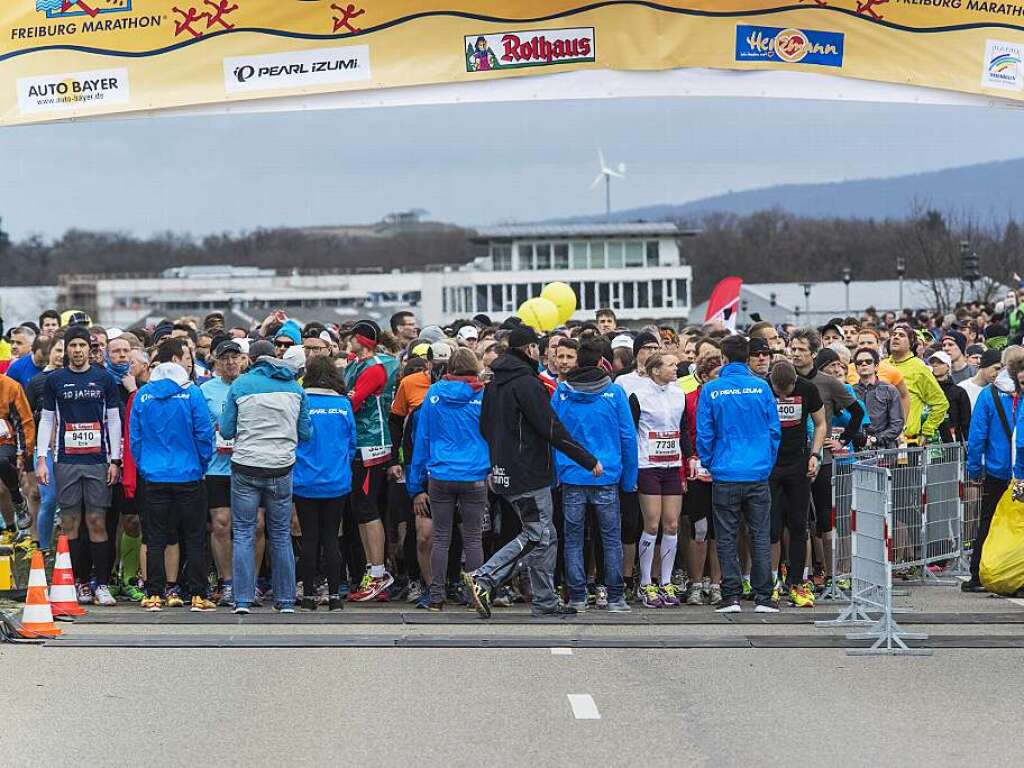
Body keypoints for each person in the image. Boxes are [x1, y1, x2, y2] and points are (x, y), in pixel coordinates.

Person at [463, 326, 601, 619]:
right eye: (539, 348)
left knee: (544, 535)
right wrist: (587, 459)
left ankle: (545, 600)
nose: (543, 352)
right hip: (529, 471)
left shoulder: (495, 382)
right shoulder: (527, 383)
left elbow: (485, 427)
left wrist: (498, 459)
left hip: (504, 469)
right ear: (529, 350)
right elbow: (550, 427)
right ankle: (483, 577)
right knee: (539, 535)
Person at [220, 340, 312, 614]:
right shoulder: (296, 388)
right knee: (281, 535)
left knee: (245, 534)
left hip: (246, 466)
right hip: (281, 467)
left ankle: (243, 600)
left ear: (252, 360)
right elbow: (306, 433)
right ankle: (285, 601)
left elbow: (226, 430)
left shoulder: (240, 385)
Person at [36, 325, 122, 606]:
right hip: (66, 459)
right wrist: (41, 459)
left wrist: (115, 460)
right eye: (72, 346)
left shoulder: (104, 379)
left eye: (82, 346)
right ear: (66, 350)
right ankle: (78, 582)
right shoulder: (55, 380)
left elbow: (114, 420)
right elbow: (47, 419)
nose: (77, 350)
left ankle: (102, 584)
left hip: (98, 460)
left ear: (90, 349)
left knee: (97, 522)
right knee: (70, 522)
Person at [551, 339, 637, 613]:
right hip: (607, 476)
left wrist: (557, 473)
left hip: (573, 476)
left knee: (573, 538)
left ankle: (577, 596)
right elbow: (628, 437)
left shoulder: (562, 392)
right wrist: (629, 478)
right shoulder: (614, 392)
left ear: (577, 361)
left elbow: (554, 436)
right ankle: (614, 597)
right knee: (610, 538)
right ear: (602, 362)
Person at [697, 335, 781, 613]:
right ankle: (763, 597)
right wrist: (766, 463)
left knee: (726, 536)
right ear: (747, 358)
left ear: (723, 358)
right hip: (757, 472)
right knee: (759, 535)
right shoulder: (762, 388)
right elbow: (774, 431)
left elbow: (705, 433)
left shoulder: (711, 390)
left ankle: (731, 596)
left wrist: (710, 462)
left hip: (725, 472)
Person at [407, 349, 490, 611]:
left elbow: (422, 439)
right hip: (475, 472)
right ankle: (477, 593)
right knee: (473, 538)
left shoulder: (434, 394)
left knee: (441, 537)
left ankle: (436, 596)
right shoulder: (483, 394)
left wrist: (415, 482)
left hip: (441, 472)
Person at [130, 360, 216, 612]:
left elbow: (135, 437)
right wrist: (200, 466)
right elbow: (204, 433)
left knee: (155, 537)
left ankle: (154, 593)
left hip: (154, 475)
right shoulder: (192, 393)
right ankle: (198, 594)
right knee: (194, 536)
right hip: (188, 474)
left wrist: (145, 465)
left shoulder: (143, 394)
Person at [789, 329, 864, 590]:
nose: (795, 353)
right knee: (797, 519)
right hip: (792, 460)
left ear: (813, 352)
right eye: (792, 348)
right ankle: (806, 573)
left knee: (824, 518)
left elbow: (857, 413)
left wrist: (842, 441)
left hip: (824, 459)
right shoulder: (784, 380)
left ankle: (831, 573)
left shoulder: (829, 383)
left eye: (800, 349)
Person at [293, 356, 357, 612]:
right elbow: (352, 443)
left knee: (309, 539)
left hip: (305, 480)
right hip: (336, 480)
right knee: (331, 538)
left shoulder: (301, 402)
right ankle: (334, 596)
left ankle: (308, 595)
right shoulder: (343, 404)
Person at [343, 321, 400, 601]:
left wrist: (347, 397)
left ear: (360, 339)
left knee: (367, 508)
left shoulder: (373, 367)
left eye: (351, 337)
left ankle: (379, 573)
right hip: (359, 444)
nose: (347, 342)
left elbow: (351, 403)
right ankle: (372, 569)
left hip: (371, 445)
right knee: (359, 509)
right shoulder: (356, 363)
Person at [629, 352, 687, 608]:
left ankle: (665, 581)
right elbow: (631, 432)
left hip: (673, 465)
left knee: (672, 525)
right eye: (671, 365)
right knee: (652, 525)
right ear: (655, 370)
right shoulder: (638, 395)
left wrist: (688, 462)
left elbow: (683, 430)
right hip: (647, 465)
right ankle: (645, 582)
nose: (676, 368)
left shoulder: (679, 394)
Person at [767, 359, 826, 607]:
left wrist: (815, 455)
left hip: (798, 462)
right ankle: (771, 582)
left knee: (799, 524)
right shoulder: (763, 388)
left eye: (787, 392)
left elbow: (821, 423)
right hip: (770, 463)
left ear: (794, 382)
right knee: (771, 526)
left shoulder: (807, 389)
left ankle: (797, 582)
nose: (783, 396)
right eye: (778, 393)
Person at [200, 339, 249, 607]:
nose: (230, 362)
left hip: (249, 464)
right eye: (224, 358)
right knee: (221, 523)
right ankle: (227, 582)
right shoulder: (205, 390)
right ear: (216, 362)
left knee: (256, 525)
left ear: (243, 360)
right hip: (216, 467)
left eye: (234, 357)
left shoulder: (251, 386)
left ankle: (248, 582)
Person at [964, 354, 1019, 592]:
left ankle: (978, 573)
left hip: (998, 470)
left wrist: (974, 468)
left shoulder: (989, 394)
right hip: (1021, 469)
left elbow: (977, 437)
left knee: (988, 521)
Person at [682, 353, 725, 605]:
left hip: (723, 469)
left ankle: (717, 583)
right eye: (716, 376)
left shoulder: (727, 399)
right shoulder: (689, 399)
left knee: (720, 530)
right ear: (704, 376)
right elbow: (684, 432)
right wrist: (690, 457)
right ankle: (696, 583)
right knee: (699, 529)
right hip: (698, 469)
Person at [886, 324, 948, 445]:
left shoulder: (919, 368)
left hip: (908, 442)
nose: (896, 337)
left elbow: (941, 403)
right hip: (880, 442)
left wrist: (927, 431)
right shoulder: (882, 365)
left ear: (911, 344)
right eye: (894, 335)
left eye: (901, 335)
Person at [0, 363, 35, 540]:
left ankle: (18, 499)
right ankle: (9, 528)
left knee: (2, 462)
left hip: (6, 441)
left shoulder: (10, 386)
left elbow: (24, 422)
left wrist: (23, 453)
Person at [853, 348, 905, 449]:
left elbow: (897, 424)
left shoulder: (889, 390)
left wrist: (875, 439)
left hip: (883, 449)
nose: (864, 364)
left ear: (876, 366)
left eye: (868, 361)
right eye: (859, 362)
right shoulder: (850, 391)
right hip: (857, 449)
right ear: (856, 368)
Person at [928, 350, 971, 444]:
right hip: (930, 441)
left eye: (940, 362)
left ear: (948, 366)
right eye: (932, 363)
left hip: (953, 442)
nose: (935, 365)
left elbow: (965, 423)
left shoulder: (959, 392)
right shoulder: (926, 391)